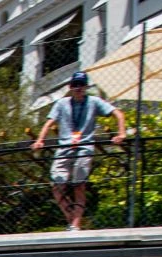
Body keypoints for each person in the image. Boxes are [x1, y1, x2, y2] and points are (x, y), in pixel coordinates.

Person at [32, 72, 126, 233]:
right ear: (70, 87)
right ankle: (71, 218)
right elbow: (49, 123)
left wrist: (122, 133)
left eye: (81, 85)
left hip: (84, 147)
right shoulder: (62, 103)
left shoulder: (94, 102)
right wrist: (40, 140)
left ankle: (76, 224)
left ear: (86, 87)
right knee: (57, 185)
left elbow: (118, 113)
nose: (78, 88)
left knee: (79, 185)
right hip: (64, 148)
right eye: (75, 85)